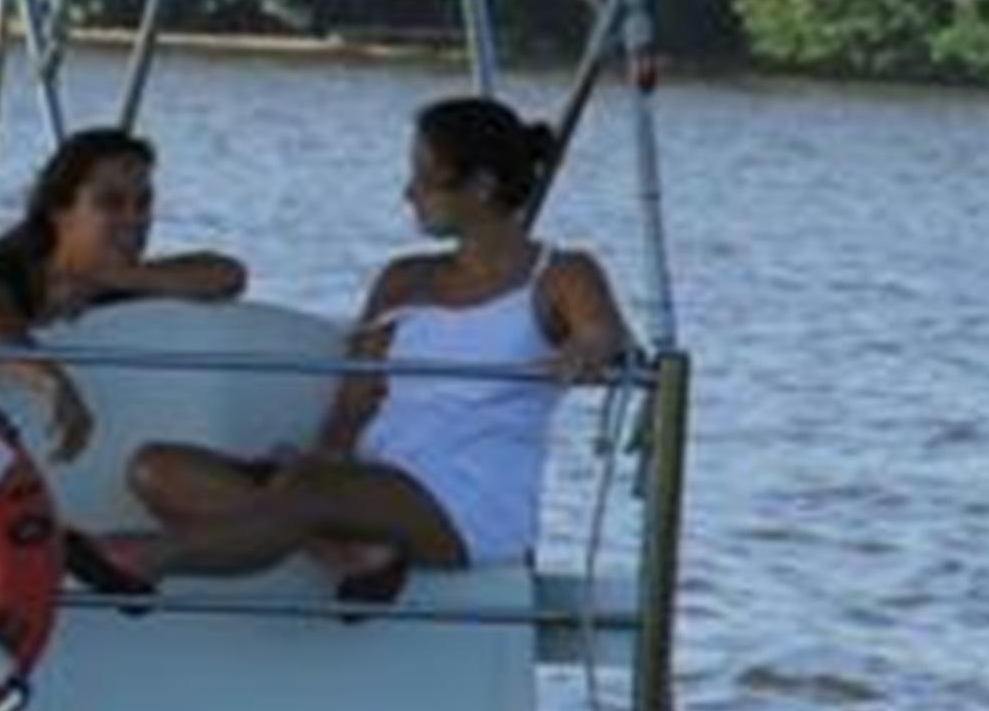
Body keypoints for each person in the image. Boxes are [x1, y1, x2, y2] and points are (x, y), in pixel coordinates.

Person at [84, 98, 631, 609]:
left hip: (466, 502)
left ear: (482, 186)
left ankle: (141, 560)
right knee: (157, 469)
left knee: (307, 490)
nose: (408, 192)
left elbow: (603, 335)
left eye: (424, 177)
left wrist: (586, 350)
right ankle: (351, 555)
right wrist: (323, 458)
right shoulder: (403, 278)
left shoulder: (560, 273)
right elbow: (354, 400)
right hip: (365, 480)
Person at [0, 126, 249, 464]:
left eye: (143, 203)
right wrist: (52, 382)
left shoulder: (119, 285)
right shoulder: (6, 272)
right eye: (111, 203)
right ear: (59, 211)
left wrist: (114, 277)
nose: (134, 218)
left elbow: (228, 276)